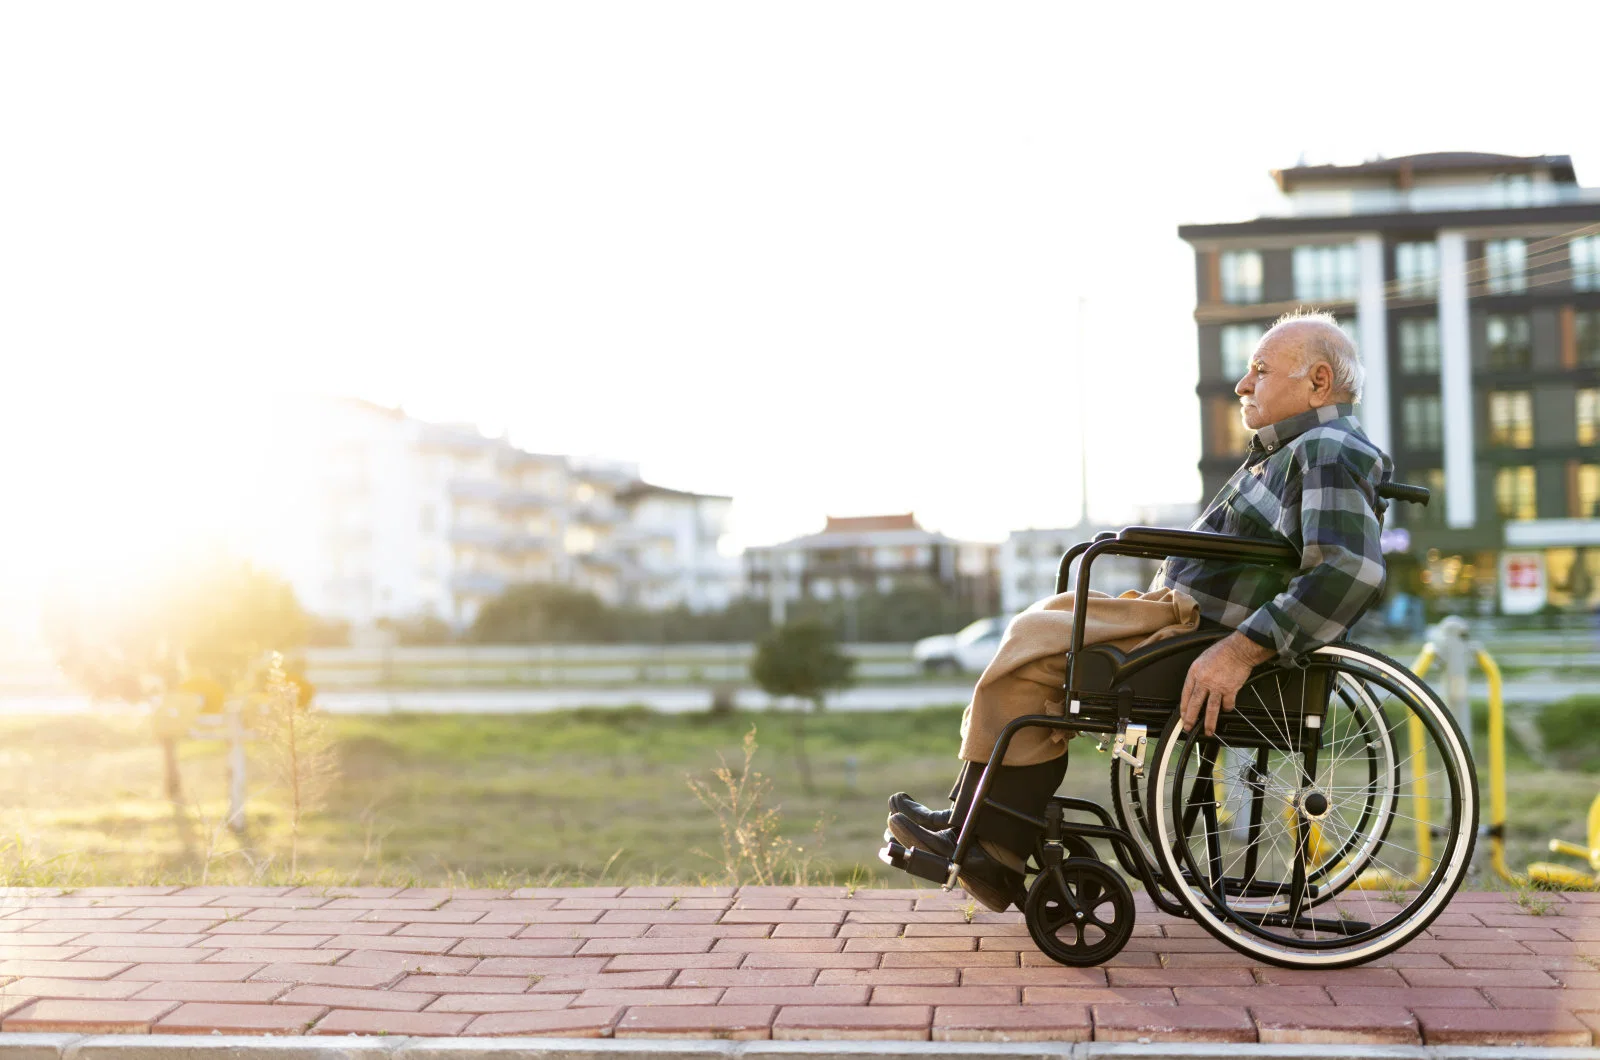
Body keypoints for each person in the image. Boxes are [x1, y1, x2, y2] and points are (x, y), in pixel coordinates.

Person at [885, 309, 1393, 911]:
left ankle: (990, 845)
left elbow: (1346, 570)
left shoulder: (1331, 449)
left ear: (1317, 382)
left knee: (1037, 648)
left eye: (1260, 369)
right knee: (1038, 631)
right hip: (1183, 620)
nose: (1242, 384)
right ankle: (975, 830)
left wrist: (1238, 651)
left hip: (1202, 633)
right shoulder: (1293, 450)